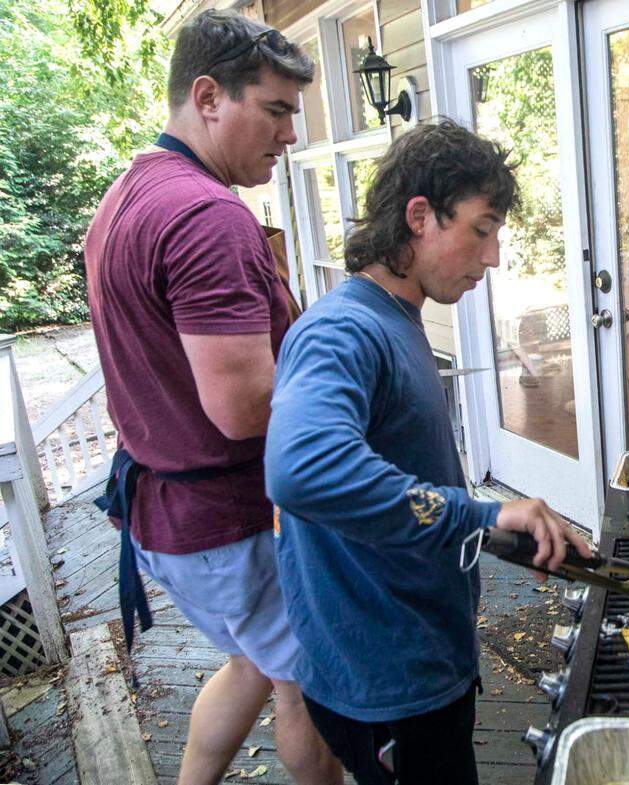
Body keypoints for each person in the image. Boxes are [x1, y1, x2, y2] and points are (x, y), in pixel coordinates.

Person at [264, 120, 593, 785]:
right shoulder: (343, 330)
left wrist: (497, 532)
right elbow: (300, 466)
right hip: (388, 679)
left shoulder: (398, 318)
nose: (494, 254)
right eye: (482, 228)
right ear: (419, 216)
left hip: (420, 653)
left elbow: (404, 484)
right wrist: (475, 515)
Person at [83, 10, 340, 785]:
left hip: (166, 514)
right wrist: (350, 395)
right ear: (207, 96)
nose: (290, 135)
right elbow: (244, 407)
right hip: (228, 521)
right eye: (275, 110)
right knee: (311, 691)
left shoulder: (126, 194)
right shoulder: (206, 216)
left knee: (253, 663)